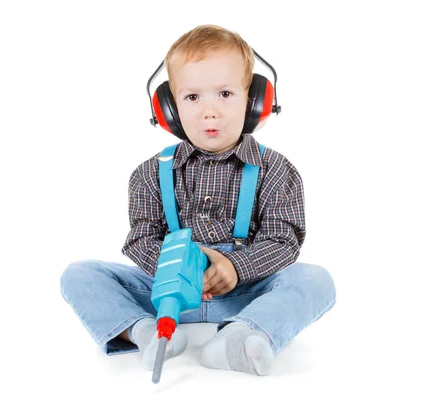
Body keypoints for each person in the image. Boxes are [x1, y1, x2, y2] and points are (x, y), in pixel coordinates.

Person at [60, 24, 336, 376]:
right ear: (168, 111)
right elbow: (141, 238)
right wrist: (177, 268)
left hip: (246, 292)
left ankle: (243, 334)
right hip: (168, 295)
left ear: (255, 102)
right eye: (192, 98)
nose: (210, 111)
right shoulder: (148, 174)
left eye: (225, 94)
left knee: (315, 279)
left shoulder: (277, 170)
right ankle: (146, 332)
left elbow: (284, 241)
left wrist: (236, 268)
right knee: (79, 274)